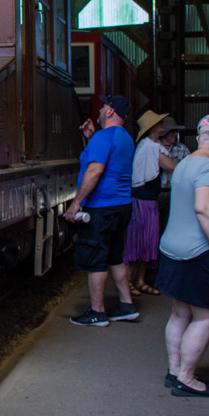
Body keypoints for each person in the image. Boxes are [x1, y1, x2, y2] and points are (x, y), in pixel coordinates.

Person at [155, 113, 209, 397]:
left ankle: (174, 370)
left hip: (172, 248)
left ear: (199, 137)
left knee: (180, 312)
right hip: (199, 253)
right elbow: (204, 209)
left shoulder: (184, 164)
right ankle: (186, 378)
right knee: (206, 316)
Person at [64, 95, 136, 327]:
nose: (101, 108)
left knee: (96, 259)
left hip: (101, 208)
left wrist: (76, 203)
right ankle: (126, 305)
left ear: (111, 112)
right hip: (122, 205)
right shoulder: (125, 138)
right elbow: (109, 158)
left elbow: (95, 170)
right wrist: (92, 138)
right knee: (115, 257)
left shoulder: (104, 137)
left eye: (105, 105)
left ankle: (97, 312)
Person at [125, 111, 177, 295]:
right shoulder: (149, 147)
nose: (162, 124)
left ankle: (139, 281)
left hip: (148, 201)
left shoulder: (152, 146)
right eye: (159, 122)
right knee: (138, 243)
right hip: (142, 202)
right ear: (153, 128)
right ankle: (128, 282)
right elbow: (171, 167)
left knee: (148, 243)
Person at [157, 116, 189, 233]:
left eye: (175, 132)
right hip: (156, 192)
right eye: (171, 132)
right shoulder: (153, 147)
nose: (174, 134)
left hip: (174, 192)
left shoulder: (182, 149)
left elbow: (188, 170)